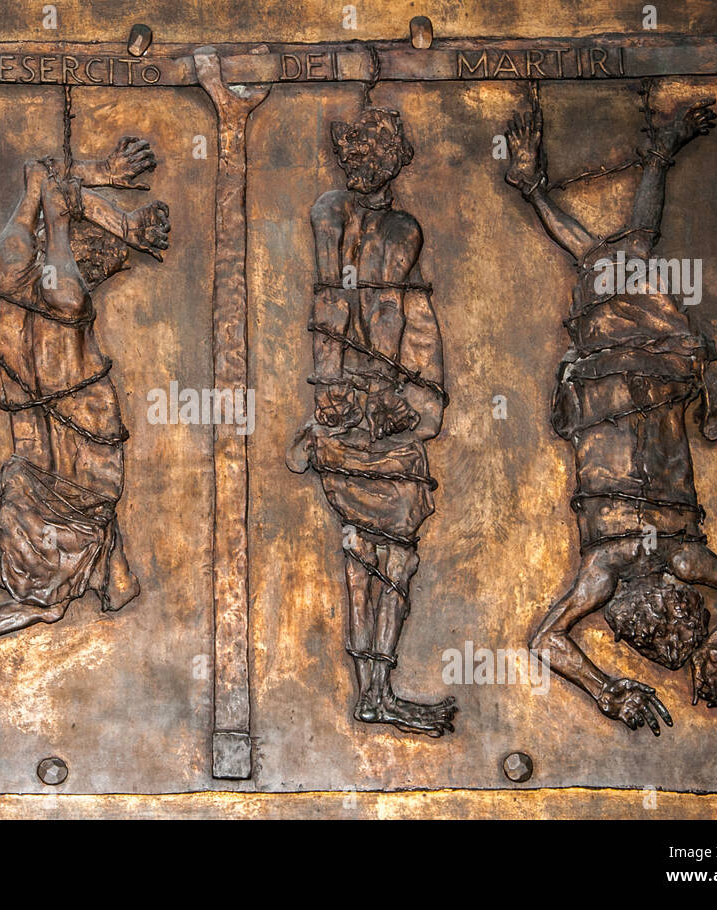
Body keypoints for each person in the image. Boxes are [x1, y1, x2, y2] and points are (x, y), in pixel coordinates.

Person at [504, 92, 717, 735]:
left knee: (616, 263)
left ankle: (556, 184)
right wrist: (714, 649)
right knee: (621, 262)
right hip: (637, 384)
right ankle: (595, 173)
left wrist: (608, 691)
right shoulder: (663, 562)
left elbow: (546, 641)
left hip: (614, 391)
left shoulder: (632, 568)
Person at [0, 138, 169, 725]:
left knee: (9, 573)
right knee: (45, 604)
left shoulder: (21, 302)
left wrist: (90, 189)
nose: (108, 265)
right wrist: (90, 206)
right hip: (73, 469)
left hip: (39, 459)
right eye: (103, 259)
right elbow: (49, 198)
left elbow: (38, 172)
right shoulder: (60, 306)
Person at [287, 108, 456, 737]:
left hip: (385, 448)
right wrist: (341, 407)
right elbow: (332, 309)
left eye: (371, 154)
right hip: (354, 446)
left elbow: (430, 406)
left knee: (382, 560)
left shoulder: (410, 305)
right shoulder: (340, 259)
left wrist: (390, 409)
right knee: (374, 558)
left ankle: (377, 688)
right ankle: (375, 691)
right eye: (350, 153)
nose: (358, 165)